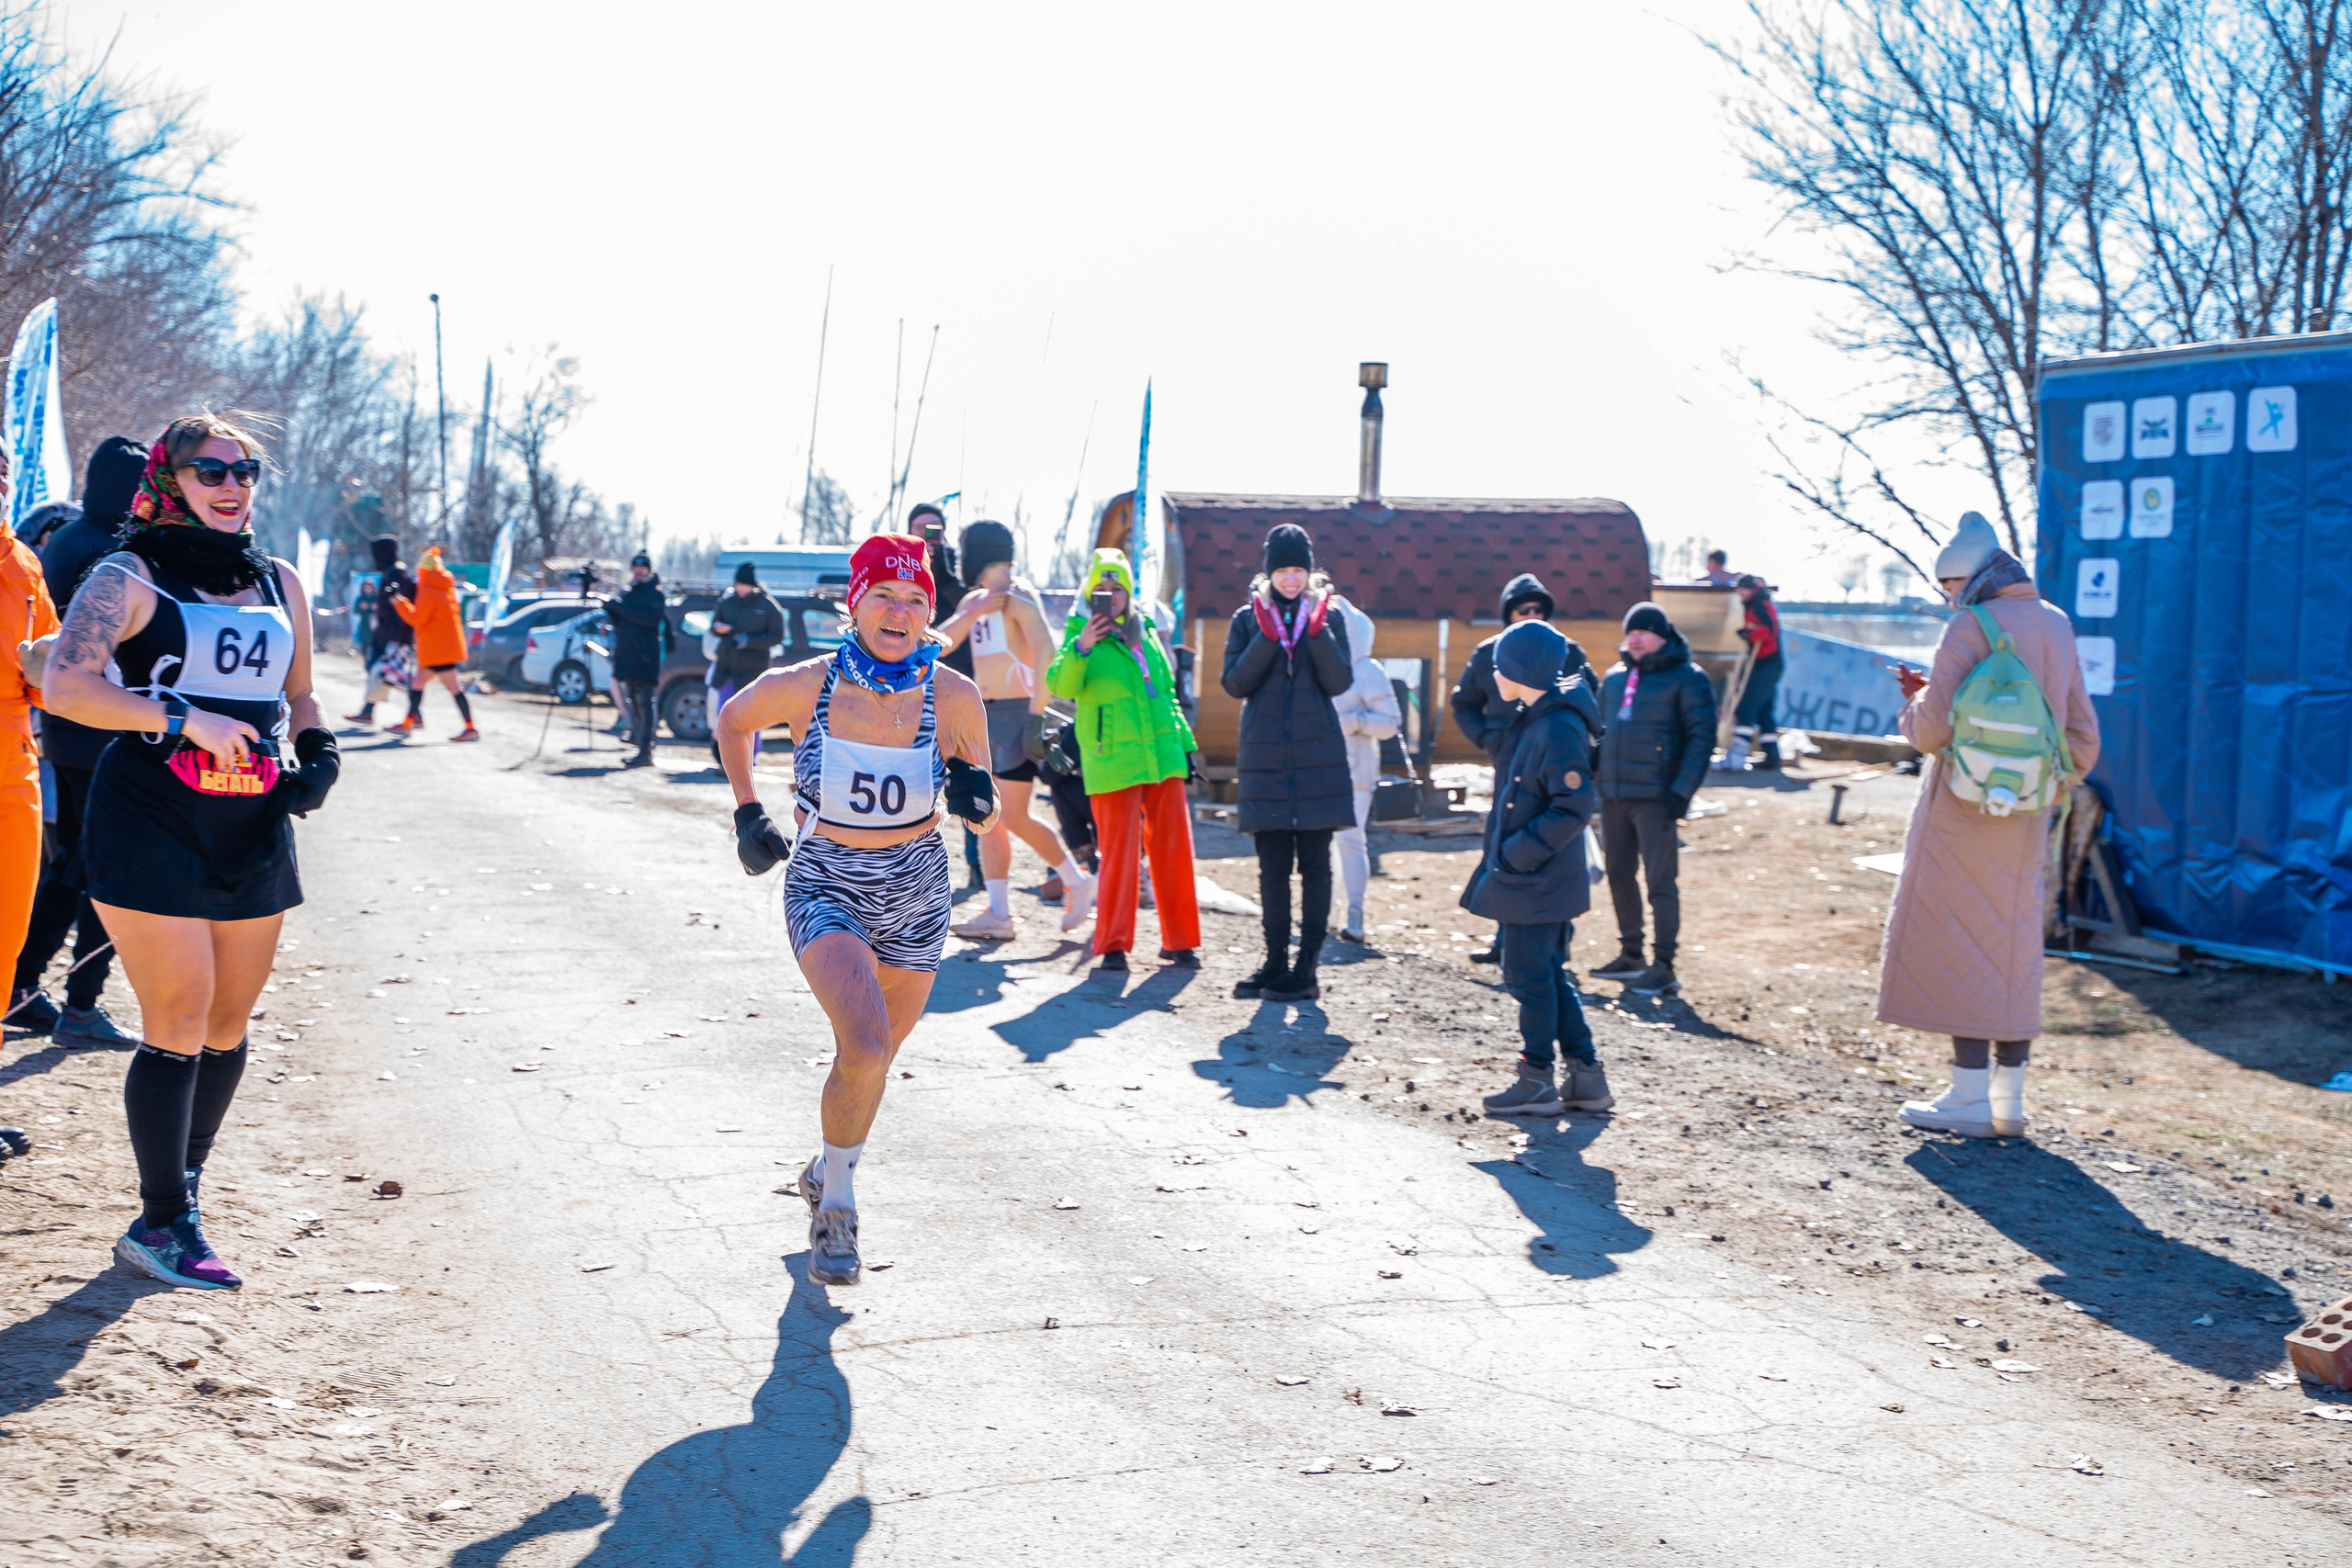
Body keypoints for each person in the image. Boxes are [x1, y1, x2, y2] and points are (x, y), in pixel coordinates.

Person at [44, 414, 342, 1291]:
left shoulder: (279, 581)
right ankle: (161, 1221)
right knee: (180, 1015)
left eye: (245, 469)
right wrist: (183, 718)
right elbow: (67, 683)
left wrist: (318, 751)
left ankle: (187, 1185)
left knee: (226, 1024)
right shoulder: (127, 574)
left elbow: (302, 693)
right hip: (150, 814)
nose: (231, 483)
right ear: (171, 481)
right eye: (210, 468)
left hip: (250, 820)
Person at [717, 533, 998, 1287]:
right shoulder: (804, 685)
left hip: (916, 887)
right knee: (866, 1045)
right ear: (856, 602)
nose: (899, 611)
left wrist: (976, 798)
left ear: (929, 613)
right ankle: (836, 1207)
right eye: (884, 595)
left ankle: (824, 1166)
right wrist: (747, 811)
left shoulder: (955, 694)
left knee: (871, 1063)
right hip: (827, 881)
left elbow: (983, 799)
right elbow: (733, 720)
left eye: (915, 600)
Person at [1884, 513, 2098, 1139]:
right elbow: (2083, 739)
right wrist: (2040, 780)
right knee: (2012, 946)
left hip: (1963, 808)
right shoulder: (2056, 624)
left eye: (1950, 583)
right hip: (2028, 811)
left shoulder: (1969, 624)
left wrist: (1915, 699)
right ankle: (2009, 1103)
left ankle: (1967, 1096)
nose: (1949, 596)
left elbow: (1931, 731)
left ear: (1970, 577)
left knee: (1958, 942)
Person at [9, 436, 145, 1045]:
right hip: (89, 736)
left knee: (70, 869)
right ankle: (77, 1000)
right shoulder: (107, 551)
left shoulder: (41, 551)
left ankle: (26, 984)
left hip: (46, 743)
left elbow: (48, 653)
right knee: (108, 870)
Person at [1470, 620, 1611, 1116]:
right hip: (1531, 877)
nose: (1494, 672)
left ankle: (1536, 1080)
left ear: (1522, 671)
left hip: (1537, 877)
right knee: (1545, 974)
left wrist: (1516, 855)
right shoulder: (1536, 716)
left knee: (1528, 976)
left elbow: (1572, 806)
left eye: (1501, 665)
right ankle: (1586, 1077)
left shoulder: (1556, 725)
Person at [1045, 549, 1201, 974]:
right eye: (1102, 588)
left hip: (1163, 755)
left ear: (1128, 593)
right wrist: (1082, 647)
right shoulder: (1079, 634)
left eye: (1117, 588)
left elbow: (1166, 694)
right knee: (1118, 855)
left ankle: (1181, 941)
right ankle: (1113, 944)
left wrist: (1186, 746)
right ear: (1089, 593)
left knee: (1173, 850)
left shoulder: (1145, 631)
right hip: (1110, 756)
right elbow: (1058, 684)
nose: (1110, 595)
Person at [937, 520, 1095, 940]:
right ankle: (999, 913)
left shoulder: (1019, 595)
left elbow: (1047, 651)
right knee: (987, 816)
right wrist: (971, 611)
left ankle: (1077, 881)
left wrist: (1037, 718)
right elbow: (941, 643)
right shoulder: (977, 600)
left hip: (1018, 715)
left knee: (1016, 815)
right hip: (986, 715)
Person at [1222, 524, 1353, 1003]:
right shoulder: (1246, 618)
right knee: (1272, 868)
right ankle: (1275, 961)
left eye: (1299, 570)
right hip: (1266, 761)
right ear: (1269, 572)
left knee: (1316, 866)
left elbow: (1339, 682)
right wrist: (1267, 637)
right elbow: (1234, 683)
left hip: (1318, 760)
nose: (1292, 579)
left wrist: (1315, 633)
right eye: (1283, 570)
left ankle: (1307, 969)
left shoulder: (1328, 617)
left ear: (1311, 571)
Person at [1450, 571, 1586, 964]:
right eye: (1522, 609)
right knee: (1503, 845)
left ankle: (1555, 939)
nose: (1531, 615)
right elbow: (1463, 703)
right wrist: (1488, 738)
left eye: (1539, 610)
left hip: (1551, 764)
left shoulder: (1567, 652)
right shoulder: (1488, 655)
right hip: (1507, 762)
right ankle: (1504, 936)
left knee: (1550, 845)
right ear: (1507, 613)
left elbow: (1585, 707)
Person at [1589, 602, 1716, 998]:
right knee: (1619, 875)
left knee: (1661, 882)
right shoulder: (1612, 678)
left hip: (1657, 798)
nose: (1636, 638)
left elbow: (1701, 739)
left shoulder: (1688, 678)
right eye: (1631, 632)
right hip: (1614, 796)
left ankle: (1664, 965)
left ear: (1663, 636)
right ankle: (1631, 955)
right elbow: (1596, 732)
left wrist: (1681, 793)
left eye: (1644, 632)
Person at [0, 452, 60, 1053]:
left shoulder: (25, 564)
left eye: (0, 468)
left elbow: (48, 677)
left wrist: (51, 663)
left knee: (6, 933)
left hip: (14, 765)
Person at [1329, 597, 1400, 944]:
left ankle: (1354, 913)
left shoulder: (1368, 671)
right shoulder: (1321, 665)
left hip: (1356, 771)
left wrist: (1352, 722)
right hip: (1320, 767)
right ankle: (1324, 913)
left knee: (1350, 841)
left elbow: (1390, 723)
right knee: (1320, 844)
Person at [389, 547, 477, 741]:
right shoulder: (446, 588)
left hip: (437, 650)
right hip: (445, 648)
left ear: (423, 571)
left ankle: (410, 724)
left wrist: (400, 603)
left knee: (436, 686)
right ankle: (409, 723)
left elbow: (417, 619)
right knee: (422, 684)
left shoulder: (428, 590)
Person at [706, 559, 785, 761]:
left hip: (753, 670)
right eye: (738, 584)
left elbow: (777, 637)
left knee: (751, 715)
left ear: (752, 585)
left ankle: (751, 755)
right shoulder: (726, 602)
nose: (740, 588)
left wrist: (749, 641)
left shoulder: (768, 606)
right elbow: (715, 625)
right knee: (723, 712)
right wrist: (718, 629)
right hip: (726, 667)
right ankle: (726, 756)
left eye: (744, 585)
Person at [604, 550, 673, 769]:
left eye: (643, 567)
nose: (639, 571)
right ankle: (638, 738)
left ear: (649, 570)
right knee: (632, 701)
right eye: (635, 567)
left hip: (646, 657)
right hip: (627, 654)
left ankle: (646, 749)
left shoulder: (656, 593)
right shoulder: (629, 591)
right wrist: (611, 609)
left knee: (645, 701)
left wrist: (620, 609)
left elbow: (649, 620)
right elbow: (622, 622)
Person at [345, 536, 414, 729]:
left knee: (397, 673)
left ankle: (414, 712)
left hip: (394, 635)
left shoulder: (398, 573)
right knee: (377, 669)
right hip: (384, 634)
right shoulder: (391, 572)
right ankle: (368, 712)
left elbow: (401, 608)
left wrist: (396, 637)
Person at [1724, 573, 1784, 771]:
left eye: (1742, 589)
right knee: (1764, 710)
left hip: (1767, 663)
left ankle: (1738, 755)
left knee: (1747, 707)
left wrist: (1749, 635)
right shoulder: (1755, 603)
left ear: (1750, 589)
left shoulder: (1760, 604)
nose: (1739, 593)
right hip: (1765, 662)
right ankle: (1772, 756)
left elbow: (1770, 630)